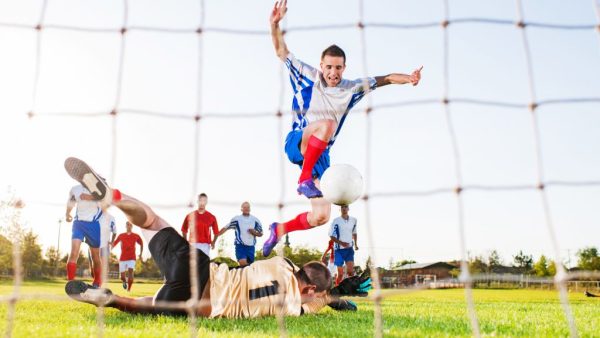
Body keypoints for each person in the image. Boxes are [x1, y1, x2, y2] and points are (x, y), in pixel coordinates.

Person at [62, 157, 368, 317]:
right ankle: (114, 300)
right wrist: (339, 295)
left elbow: (314, 289)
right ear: (310, 288)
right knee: (148, 303)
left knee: (153, 220)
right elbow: (319, 299)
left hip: (199, 268)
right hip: (198, 306)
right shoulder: (294, 307)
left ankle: (113, 195)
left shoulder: (281, 263)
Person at [262, 0, 423, 256]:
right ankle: (304, 179)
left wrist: (409, 79)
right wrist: (274, 25)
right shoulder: (306, 76)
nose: (333, 72)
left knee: (321, 216)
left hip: (320, 153)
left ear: (343, 68)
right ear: (321, 65)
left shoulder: (350, 89)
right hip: (299, 141)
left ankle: (279, 229)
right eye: (328, 67)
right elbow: (282, 52)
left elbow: (385, 79)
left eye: (338, 67)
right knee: (326, 124)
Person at [65, 183, 104, 287]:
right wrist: (67, 213)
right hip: (78, 224)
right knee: (74, 252)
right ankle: (70, 283)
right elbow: (71, 202)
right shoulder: (75, 189)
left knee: (95, 256)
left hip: (93, 225)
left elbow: (107, 197)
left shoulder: (98, 188)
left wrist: (90, 197)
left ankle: (97, 281)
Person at [213, 201, 263, 266]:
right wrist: (216, 235)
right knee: (243, 263)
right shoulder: (237, 219)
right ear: (241, 209)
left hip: (251, 247)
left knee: (249, 267)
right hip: (240, 246)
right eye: (244, 207)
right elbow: (226, 227)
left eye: (248, 207)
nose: (246, 208)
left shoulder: (255, 220)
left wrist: (255, 233)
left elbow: (261, 233)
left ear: (250, 209)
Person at [328, 205, 358, 285]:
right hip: (338, 250)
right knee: (340, 274)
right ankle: (337, 289)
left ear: (348, 209)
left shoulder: (354, 220)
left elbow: (354, 233)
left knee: (350, 272)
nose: (344, 208)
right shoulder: (336, 221)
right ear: (340, 209)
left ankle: (350, 289)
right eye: (342, 207)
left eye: (345, 207)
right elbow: (331, 235)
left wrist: (356, 244)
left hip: (349, 249)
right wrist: (341, 243)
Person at [112, 221, 144, 291]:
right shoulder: (121, 235)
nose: (129, 226)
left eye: (130, 225)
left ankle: (129, 289)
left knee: (130, 270)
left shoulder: (136, 235)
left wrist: (141, 254)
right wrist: (109, 250)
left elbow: (141, 243)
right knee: (122, 277)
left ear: (132, 226)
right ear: (125, 226)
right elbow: (114, 244)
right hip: (123, 258)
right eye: (127, 225)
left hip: (132, 257)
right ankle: (124, 281)